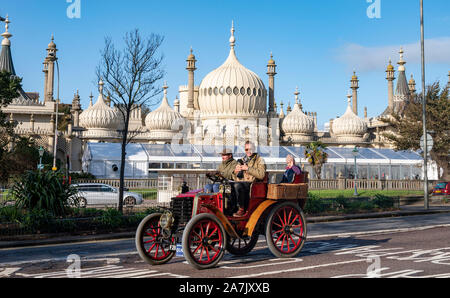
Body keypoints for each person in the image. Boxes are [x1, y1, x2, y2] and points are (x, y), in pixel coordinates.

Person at [232, 141, 266, 217]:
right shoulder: (241, 160)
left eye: (250, 149)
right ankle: (231, 208)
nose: (248, 151)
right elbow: (236, 177)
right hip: (242, 182)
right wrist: (236, 172)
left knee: (238, 185)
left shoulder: (260, 160)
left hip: (253, 184)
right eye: (246, 149)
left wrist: (248, 168)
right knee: (227, 186)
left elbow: (261, 175)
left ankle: (241, 209)